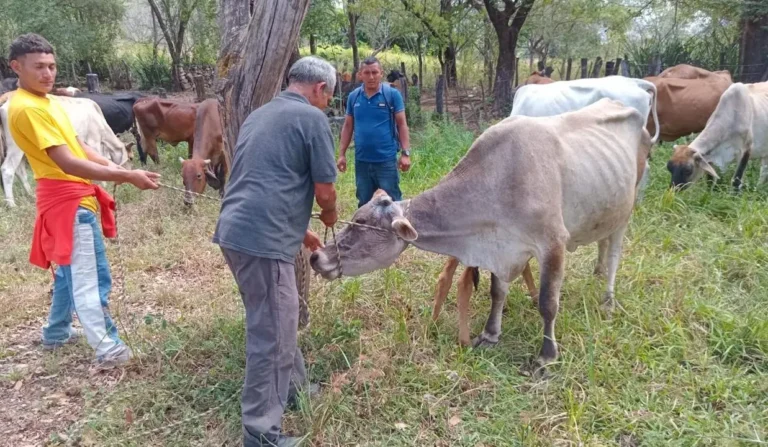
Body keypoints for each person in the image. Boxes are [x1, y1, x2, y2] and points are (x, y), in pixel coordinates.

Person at [6, 33, 160, 367]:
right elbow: (68, 162)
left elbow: (78, 145)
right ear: (16, 67)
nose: (48, 74)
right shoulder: (27, 108)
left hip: (67, 199)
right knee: (91, 278)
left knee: (68, 272)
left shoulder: (48, 102)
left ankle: (57, 332)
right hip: (69, 203)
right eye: (39, 67)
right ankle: (109, 349)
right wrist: (127, 177)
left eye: (52, 66)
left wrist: (113, 165)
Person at [212, 56, 339, 447]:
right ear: (320, 89)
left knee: (276, 320)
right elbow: (324, 191)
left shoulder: (259, 115)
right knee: (271, 334)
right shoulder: (313, 120)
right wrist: (330, 215)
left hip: (238, 232)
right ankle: (261, 433)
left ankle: (296, 388)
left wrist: (301, 231)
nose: (326, 104)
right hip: (264, 243)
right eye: (328, 97)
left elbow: (264, 180)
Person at [338, 56, 412, 208]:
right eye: (366, 73)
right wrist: (341, 154)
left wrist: (405, 154)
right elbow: (347, 126)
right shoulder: (354, 97)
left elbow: (402, 125)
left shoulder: (392, 95)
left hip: (386, 160)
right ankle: (368, 232)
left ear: (381, 73)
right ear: (360, 75)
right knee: (365, 203)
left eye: (374, 72)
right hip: (362, 161)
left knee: (392, 202)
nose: (371, 77)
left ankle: (397, 231)